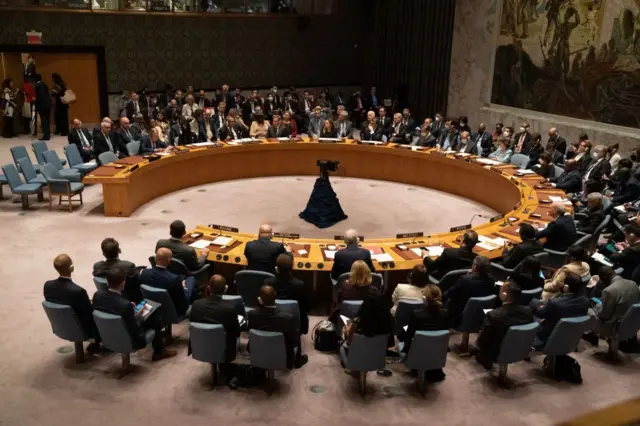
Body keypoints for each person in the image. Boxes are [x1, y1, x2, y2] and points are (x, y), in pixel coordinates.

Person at [93, 268, 177, 361]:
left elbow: (112, 309)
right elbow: (135, 330)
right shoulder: (125, 305)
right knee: (155, 316)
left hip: (107, 334)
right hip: (132, 339)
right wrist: (137, 314)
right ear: (123, 283)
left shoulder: (97, 296)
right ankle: (159, 351)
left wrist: (131, 311)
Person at [44, 254, 103, 354]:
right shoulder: (78, 291)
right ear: (72, 268)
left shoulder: (47, 285)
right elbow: (89, 316)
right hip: (82, 329)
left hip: (60, 324)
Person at [475, 281, 533, 370]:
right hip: (521, 349)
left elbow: (481, 341)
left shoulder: (493, 315)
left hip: (497, 352)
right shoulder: (528, 311)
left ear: (504, 295)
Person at [248, 285, 308, 369]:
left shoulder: (251, 314)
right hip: (283, 356)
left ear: (259, 299)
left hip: (258, 351)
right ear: (275, 297)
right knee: (295, 334)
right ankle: (298, 361)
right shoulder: (288, 318)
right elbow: (294, 341)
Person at [398, 284, 450, 381]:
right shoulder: (446, 314)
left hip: (416, 355)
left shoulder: (416, 314)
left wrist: (402, 334)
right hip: (437, 355)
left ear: (424, 298)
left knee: (402, 335)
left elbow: (408, 337)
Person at [189, 275, 241, 366]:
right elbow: (237, 333)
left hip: (199, 346)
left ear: (208, 288)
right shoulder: (229, 309)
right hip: (224, 351)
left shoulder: (196, 304)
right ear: (225, 289)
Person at [531, 272, 590, 348]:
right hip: (569, 339)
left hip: (547, 337)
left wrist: (540, 308)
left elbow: (540, 313)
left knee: (530, 308)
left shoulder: (555, 303)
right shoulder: (586, 301)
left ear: (566, 287)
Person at [587, 266, 640, 342]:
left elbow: (604, 316)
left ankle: (592, 337)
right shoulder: (633, 284)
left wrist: (596, 305)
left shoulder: (609, 290)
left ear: (605, 277)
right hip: (631, 325)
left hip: (613, 326)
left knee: (588, 311)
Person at [140, 248, 195, 317]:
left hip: (151, 305)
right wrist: (184, 288)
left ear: (155, 259)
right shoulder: (174, 279)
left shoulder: (144, 272)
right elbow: (182, 302)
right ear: (169, 261)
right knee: (191, 279)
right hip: (174, 311)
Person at [265, 254, 310, 334]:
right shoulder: (299, 285)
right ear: (291, 267)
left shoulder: (268, 283)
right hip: (294, 320)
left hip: (272, 320)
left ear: (276, 268)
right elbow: (306, 307)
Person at [444, 256, 495, 327]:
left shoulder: (464, 280)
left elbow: (450, 293)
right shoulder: (491, 280)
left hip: (460, 313)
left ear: (475, 266)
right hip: (478, 313)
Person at [93, 237, 142, 302]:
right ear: (119, 250)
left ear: (103, 253)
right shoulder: (128, 266)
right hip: (128, 300)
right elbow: (139, 282)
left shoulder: (97, 266)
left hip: (106, 298)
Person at [34, 74, 51, 140]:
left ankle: (46, 136)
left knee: (44, 120)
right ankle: (48, 134)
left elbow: (40, 96)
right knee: (47, 119)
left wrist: (36, 102)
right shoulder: (45, 84)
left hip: (42, 105)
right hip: (48, 104)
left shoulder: (38, 85)